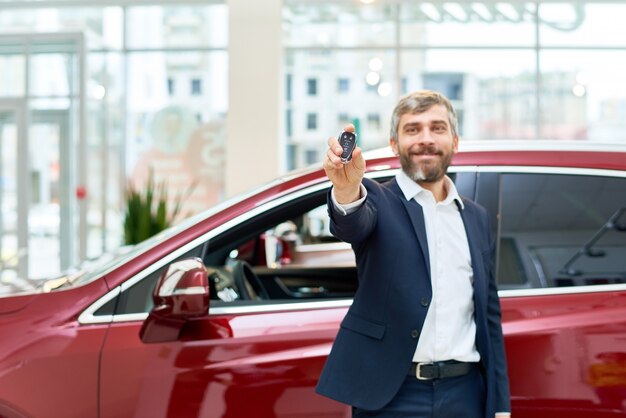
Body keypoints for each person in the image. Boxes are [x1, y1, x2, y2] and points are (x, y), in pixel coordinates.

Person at [316, 90, 511, 418]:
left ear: (454, 140)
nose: (425, 139)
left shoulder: (475, 217)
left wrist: (500, 406)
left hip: (465, 394)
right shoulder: (377, 200)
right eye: (412, 129)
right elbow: (351, 223)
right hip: (392, 397)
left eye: (437, 128)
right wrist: (347, 189)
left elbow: (489, 317)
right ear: (395, 144)